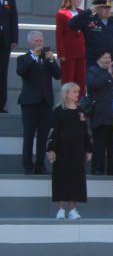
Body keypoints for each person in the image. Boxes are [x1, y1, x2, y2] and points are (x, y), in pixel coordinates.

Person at [17, 31, 61, 174]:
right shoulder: (23, 58)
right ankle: (27, 165)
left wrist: (52, 60)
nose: (39, 43)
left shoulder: (46, 58)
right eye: (36, 41)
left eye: (41, 41)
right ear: (29, 43)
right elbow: (22, 72)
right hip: (29, 103)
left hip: (45, 103)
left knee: (43, 136)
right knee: (29, 135)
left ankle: (40, 165)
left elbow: (58, 75)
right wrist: (33, 57)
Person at [47, 82, 91, 219]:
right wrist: (51, 149)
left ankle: (73, 209)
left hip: (77, 151)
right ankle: (60, 209)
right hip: (62, 150)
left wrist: (89, 149)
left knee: (76, 179)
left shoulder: (81, 112)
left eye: (78, 92)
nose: (77, 94)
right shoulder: (58, 111)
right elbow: (54, 131)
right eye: (74, 92)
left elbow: (85, 133)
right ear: (66, 94)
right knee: (61, 178)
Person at [85, 51, 113, 175]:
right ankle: (97, 170)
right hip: (99, 114)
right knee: (99, 145)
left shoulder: (112, 73)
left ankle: (112, 170)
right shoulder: (93, 71)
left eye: (109, 57)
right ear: (98, 59)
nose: (108, 60)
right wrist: (108, 75)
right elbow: (92, 84)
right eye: (105, 57)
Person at [68, 0, 113, 68]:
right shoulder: (89, 20)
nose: (107, 10)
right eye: (104, 8)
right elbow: (71, 24)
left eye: (108, 8)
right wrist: (89, 11)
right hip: (94, 65)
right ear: (97, 8)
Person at [55, 0, 86, 93]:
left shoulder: (82, 13)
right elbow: (59, 35)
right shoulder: (62, 14)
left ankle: (80, 104)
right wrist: (61, 53)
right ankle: (67, 104)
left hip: (81, 51)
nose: (80, 0)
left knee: (81, 80)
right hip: (68, 52)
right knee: (68, 79)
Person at [0, 0, 18, 112]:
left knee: (3, 72)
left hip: (4, 42)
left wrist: (14, 39)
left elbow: (13, 20)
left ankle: (1, 104)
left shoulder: (9, 0)